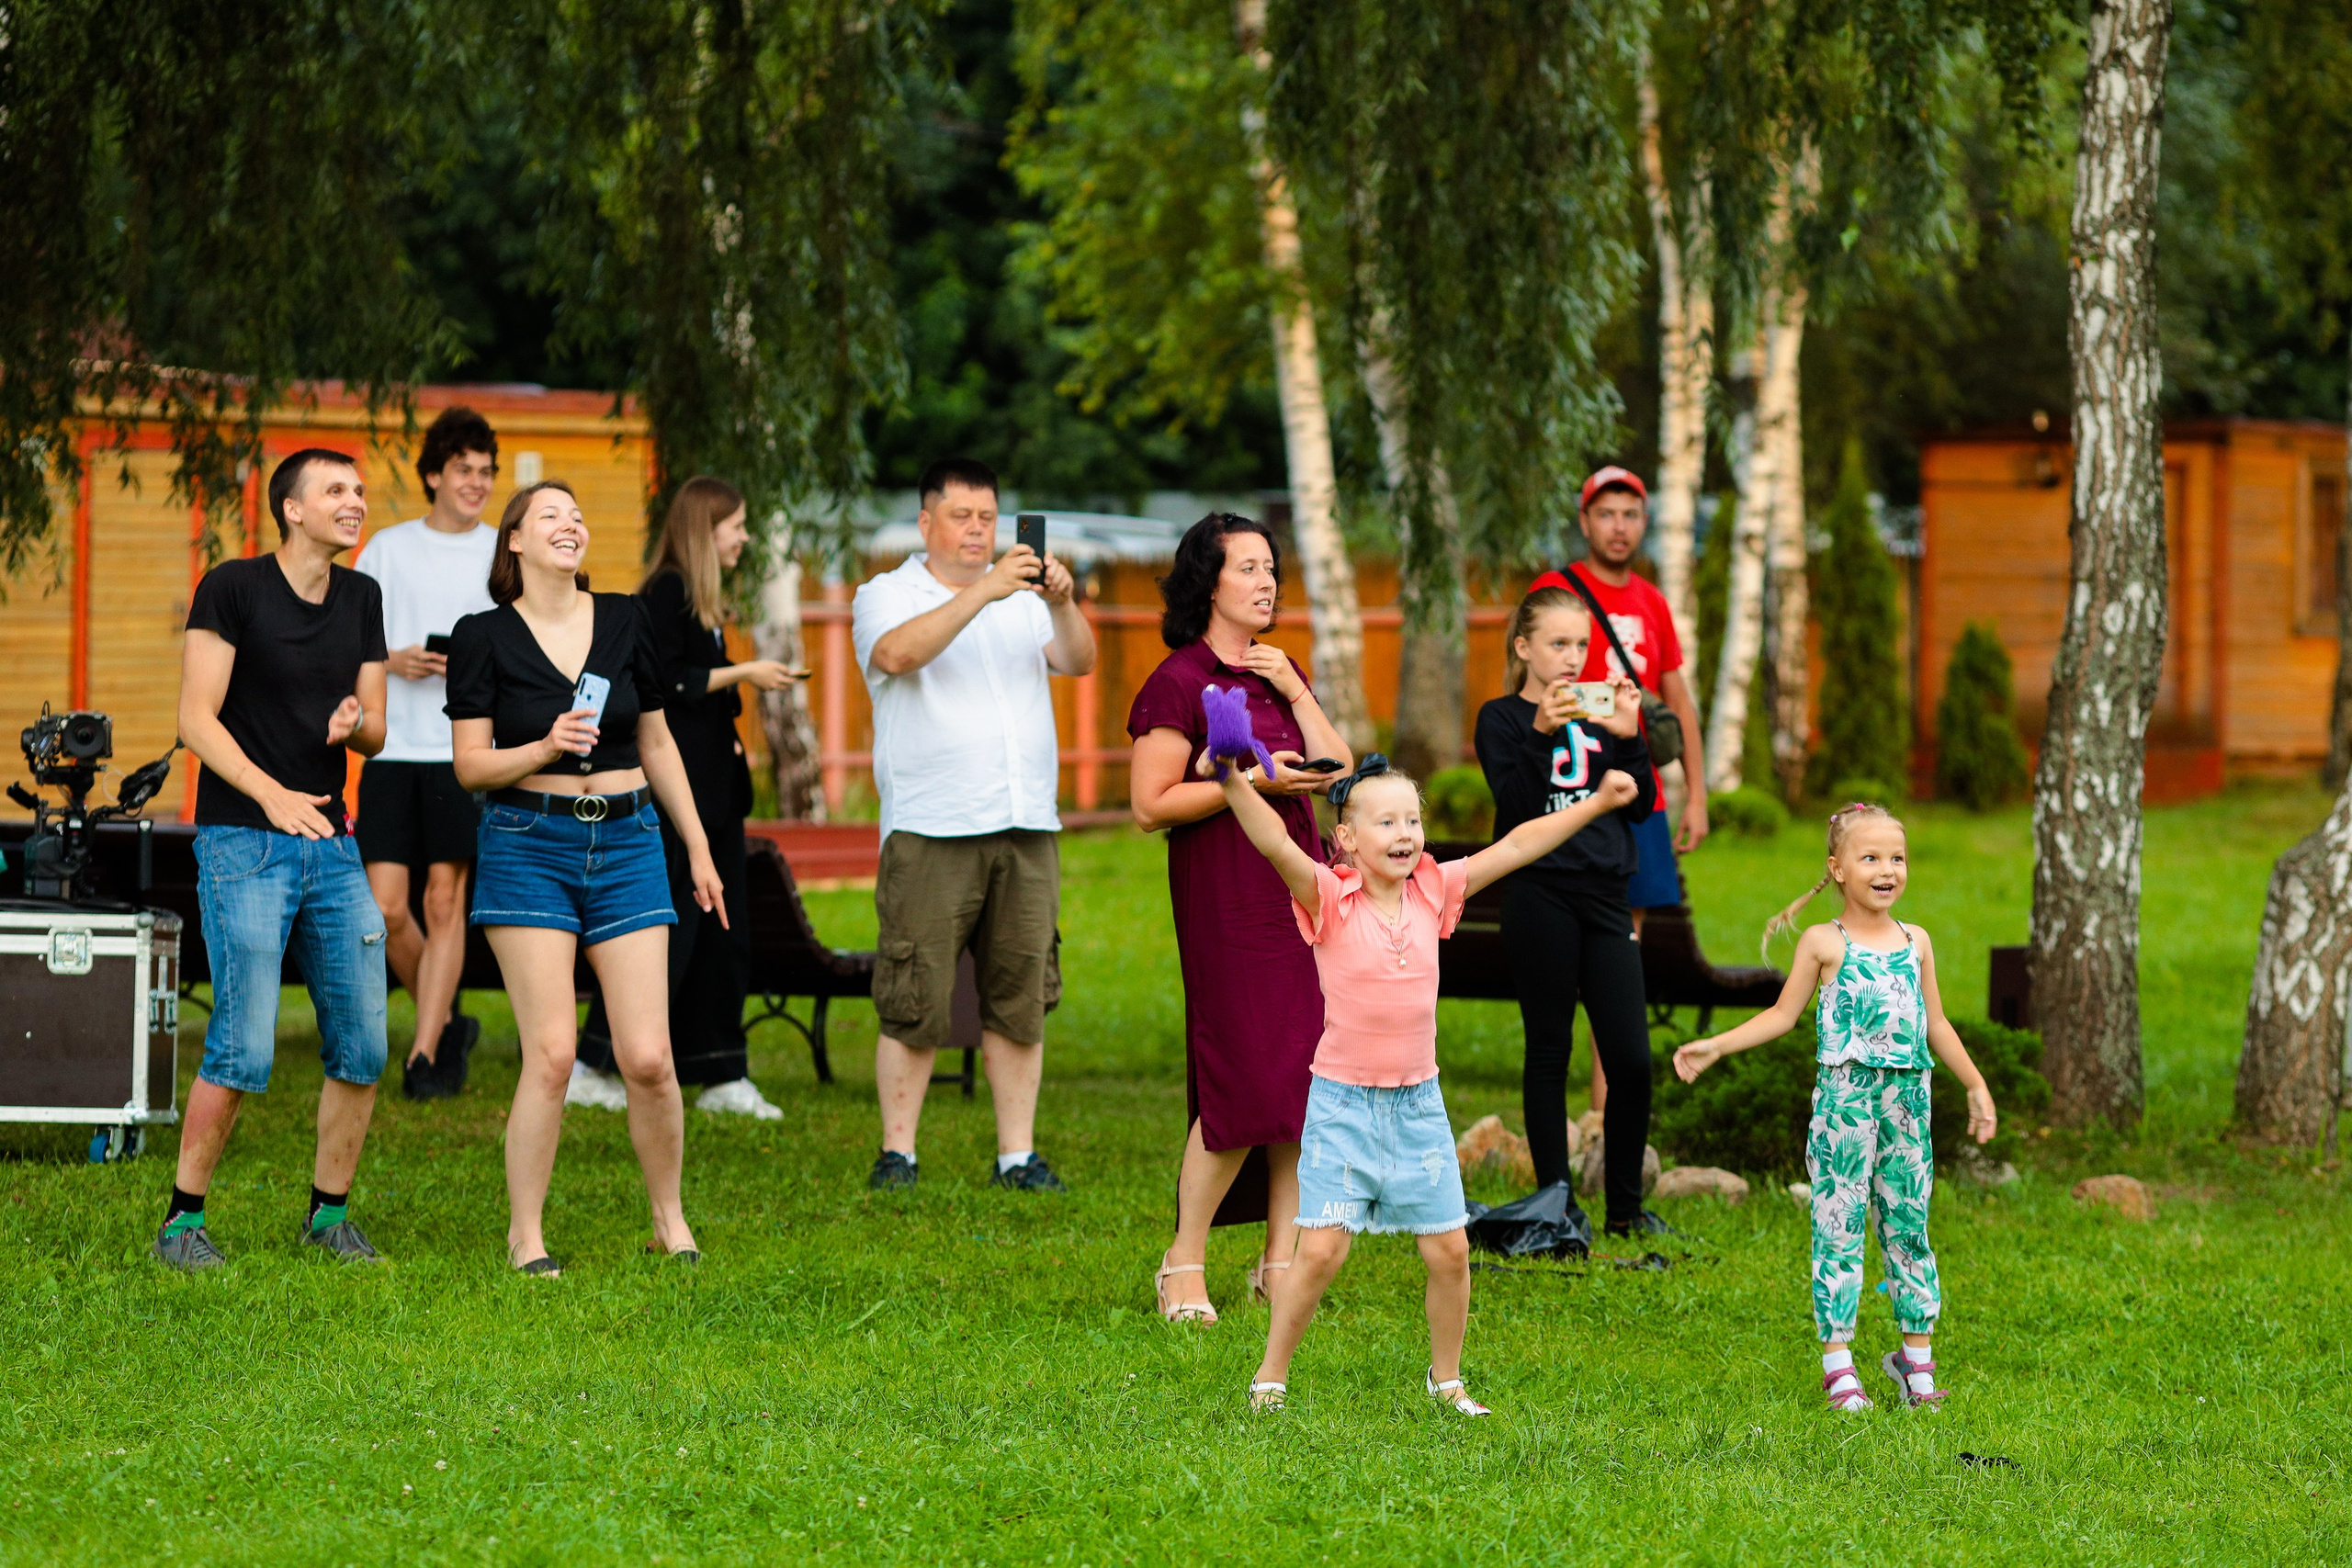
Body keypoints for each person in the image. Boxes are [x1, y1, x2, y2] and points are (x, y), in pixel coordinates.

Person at [1209, 749, 1641, 1416]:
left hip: (1418, 1103)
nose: (1406, 833)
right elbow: (1272, 842)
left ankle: (1447, 1380)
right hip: (1343, 1104)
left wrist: (1600, 802)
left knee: (1449, 1249)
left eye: (1413, 819)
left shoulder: (1433, 889)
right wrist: (1232, 779)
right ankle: (1270, 1376)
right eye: (1386, 822)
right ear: (1347, 838)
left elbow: (1520, 843)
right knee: (1319, 1251)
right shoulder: (1329, 895)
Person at [446, 480, 724, 1274]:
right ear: (516, 543)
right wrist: (542, 747)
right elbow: (470, 766)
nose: (570, 524)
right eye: (550, 516)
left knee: (648, 1056)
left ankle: (670, 1220)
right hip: (530, 842)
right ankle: (525, 1235)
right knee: (555, 1053)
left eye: (577, 514)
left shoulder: (627, 618)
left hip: (631, 840)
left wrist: (697, 848)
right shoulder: (483, 636)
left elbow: (660, 743)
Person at [1673, 802, 1998, 1412]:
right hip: (1845, 1106)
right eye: (1870, 857)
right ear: (1838, 868)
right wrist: (1716, 1044)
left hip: (1908, 1101)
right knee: (1840, 1224)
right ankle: (1838, 1364)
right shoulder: (1826, 942)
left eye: (1897, 857)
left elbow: (1937, 1023)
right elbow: (1781, 1015)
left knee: (1908, 1224)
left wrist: (1975, 1084)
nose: (1887, 869)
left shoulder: (1916, 940)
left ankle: (1916, 1364)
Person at [157, 449, 391, 1270]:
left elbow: (376, 731)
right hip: (243, 840)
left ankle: (329, 1217)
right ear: (291, 508)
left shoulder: (362, 596)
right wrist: (272, 796)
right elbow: (197, 719)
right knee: (244, 1045)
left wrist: (354, 720)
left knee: (363, 1039)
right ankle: (183, 1222)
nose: (354, 501)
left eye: (359, 491)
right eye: (336, 491)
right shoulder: (232, 587)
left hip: (331, 842)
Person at [1128, 513, 1351, 1324]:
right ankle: (1182, 1261)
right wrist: (1254, 782)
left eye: (1271, 570)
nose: (1266, 584)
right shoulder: (1178, 681)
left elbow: (1340, 772)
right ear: (1207, 581)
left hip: (1299, 890)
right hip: (1227, 898)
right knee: (1241, 1077)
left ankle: (1280, 1261)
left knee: (1302, 1076)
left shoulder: (1277, 673)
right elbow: (1150, 805)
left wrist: (1294, 688)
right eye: (1249, 568)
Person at [852, 457, 1096, 1192]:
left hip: (1025, 821)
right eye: (961, 516)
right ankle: (899, 1151)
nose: (978, 530)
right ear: (925, 521)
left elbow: (1079, 660)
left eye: (987, 517)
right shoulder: (887, 593)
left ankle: (1016, 1155)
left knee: (1020, 989)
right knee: (914, 991)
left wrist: (1059, 602)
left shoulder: (1024, 598)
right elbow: (897, 654)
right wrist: (986, 590)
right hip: (933, 823)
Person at [571, 478, 804, 1118]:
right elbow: (670, 683)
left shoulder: (700, 598)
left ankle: (720, 1070)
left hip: (716, 795)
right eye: (737, 526)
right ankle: (597, 1062)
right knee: (667, 930)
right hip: (682, 798)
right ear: (708, 527)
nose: (745, 538)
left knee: (719, 934)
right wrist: (749, 673)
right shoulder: (667, 591)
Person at [1474, 587, 1663, 1235]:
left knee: (1631, 1057)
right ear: (1524, 648)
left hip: (1607, 895)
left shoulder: (1600, 713)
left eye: (1581, 645)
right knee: (1549, 1046)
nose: (1571, 658)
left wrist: (1632, 739)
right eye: (1557, 644)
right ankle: (1557, 1203)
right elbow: (1517, 807)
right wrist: (1540, 732)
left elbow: (1637, 806)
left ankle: (1627, 1209)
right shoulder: (1500, 718)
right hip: (1539, 895)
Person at [1530, 465, 1711, 1118]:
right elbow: (1523, 688)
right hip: (1568, 791)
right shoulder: (1555, 589)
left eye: (1631, 514)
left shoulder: (1653, 602)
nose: (1619, 526)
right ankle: (1569, 1116)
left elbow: (1678, 700)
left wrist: (1696, 791)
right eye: (1606, 513)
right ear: (1584, 521)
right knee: (1565, 954)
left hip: (1639, 797)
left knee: (1617, 957)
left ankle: (1608, 1117)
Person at [354, 405, 499, 1100]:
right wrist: (392, 659)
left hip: (462, 748)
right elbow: (349, 641)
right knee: (386, 910)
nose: (477, 482)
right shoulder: (385, 547)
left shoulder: (505, 550)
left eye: (487, 472)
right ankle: (447, 1022)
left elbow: (521, 648)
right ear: (435, 474)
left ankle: (423, 1056)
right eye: (465, 470)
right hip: (389, 747)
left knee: (445, 901)